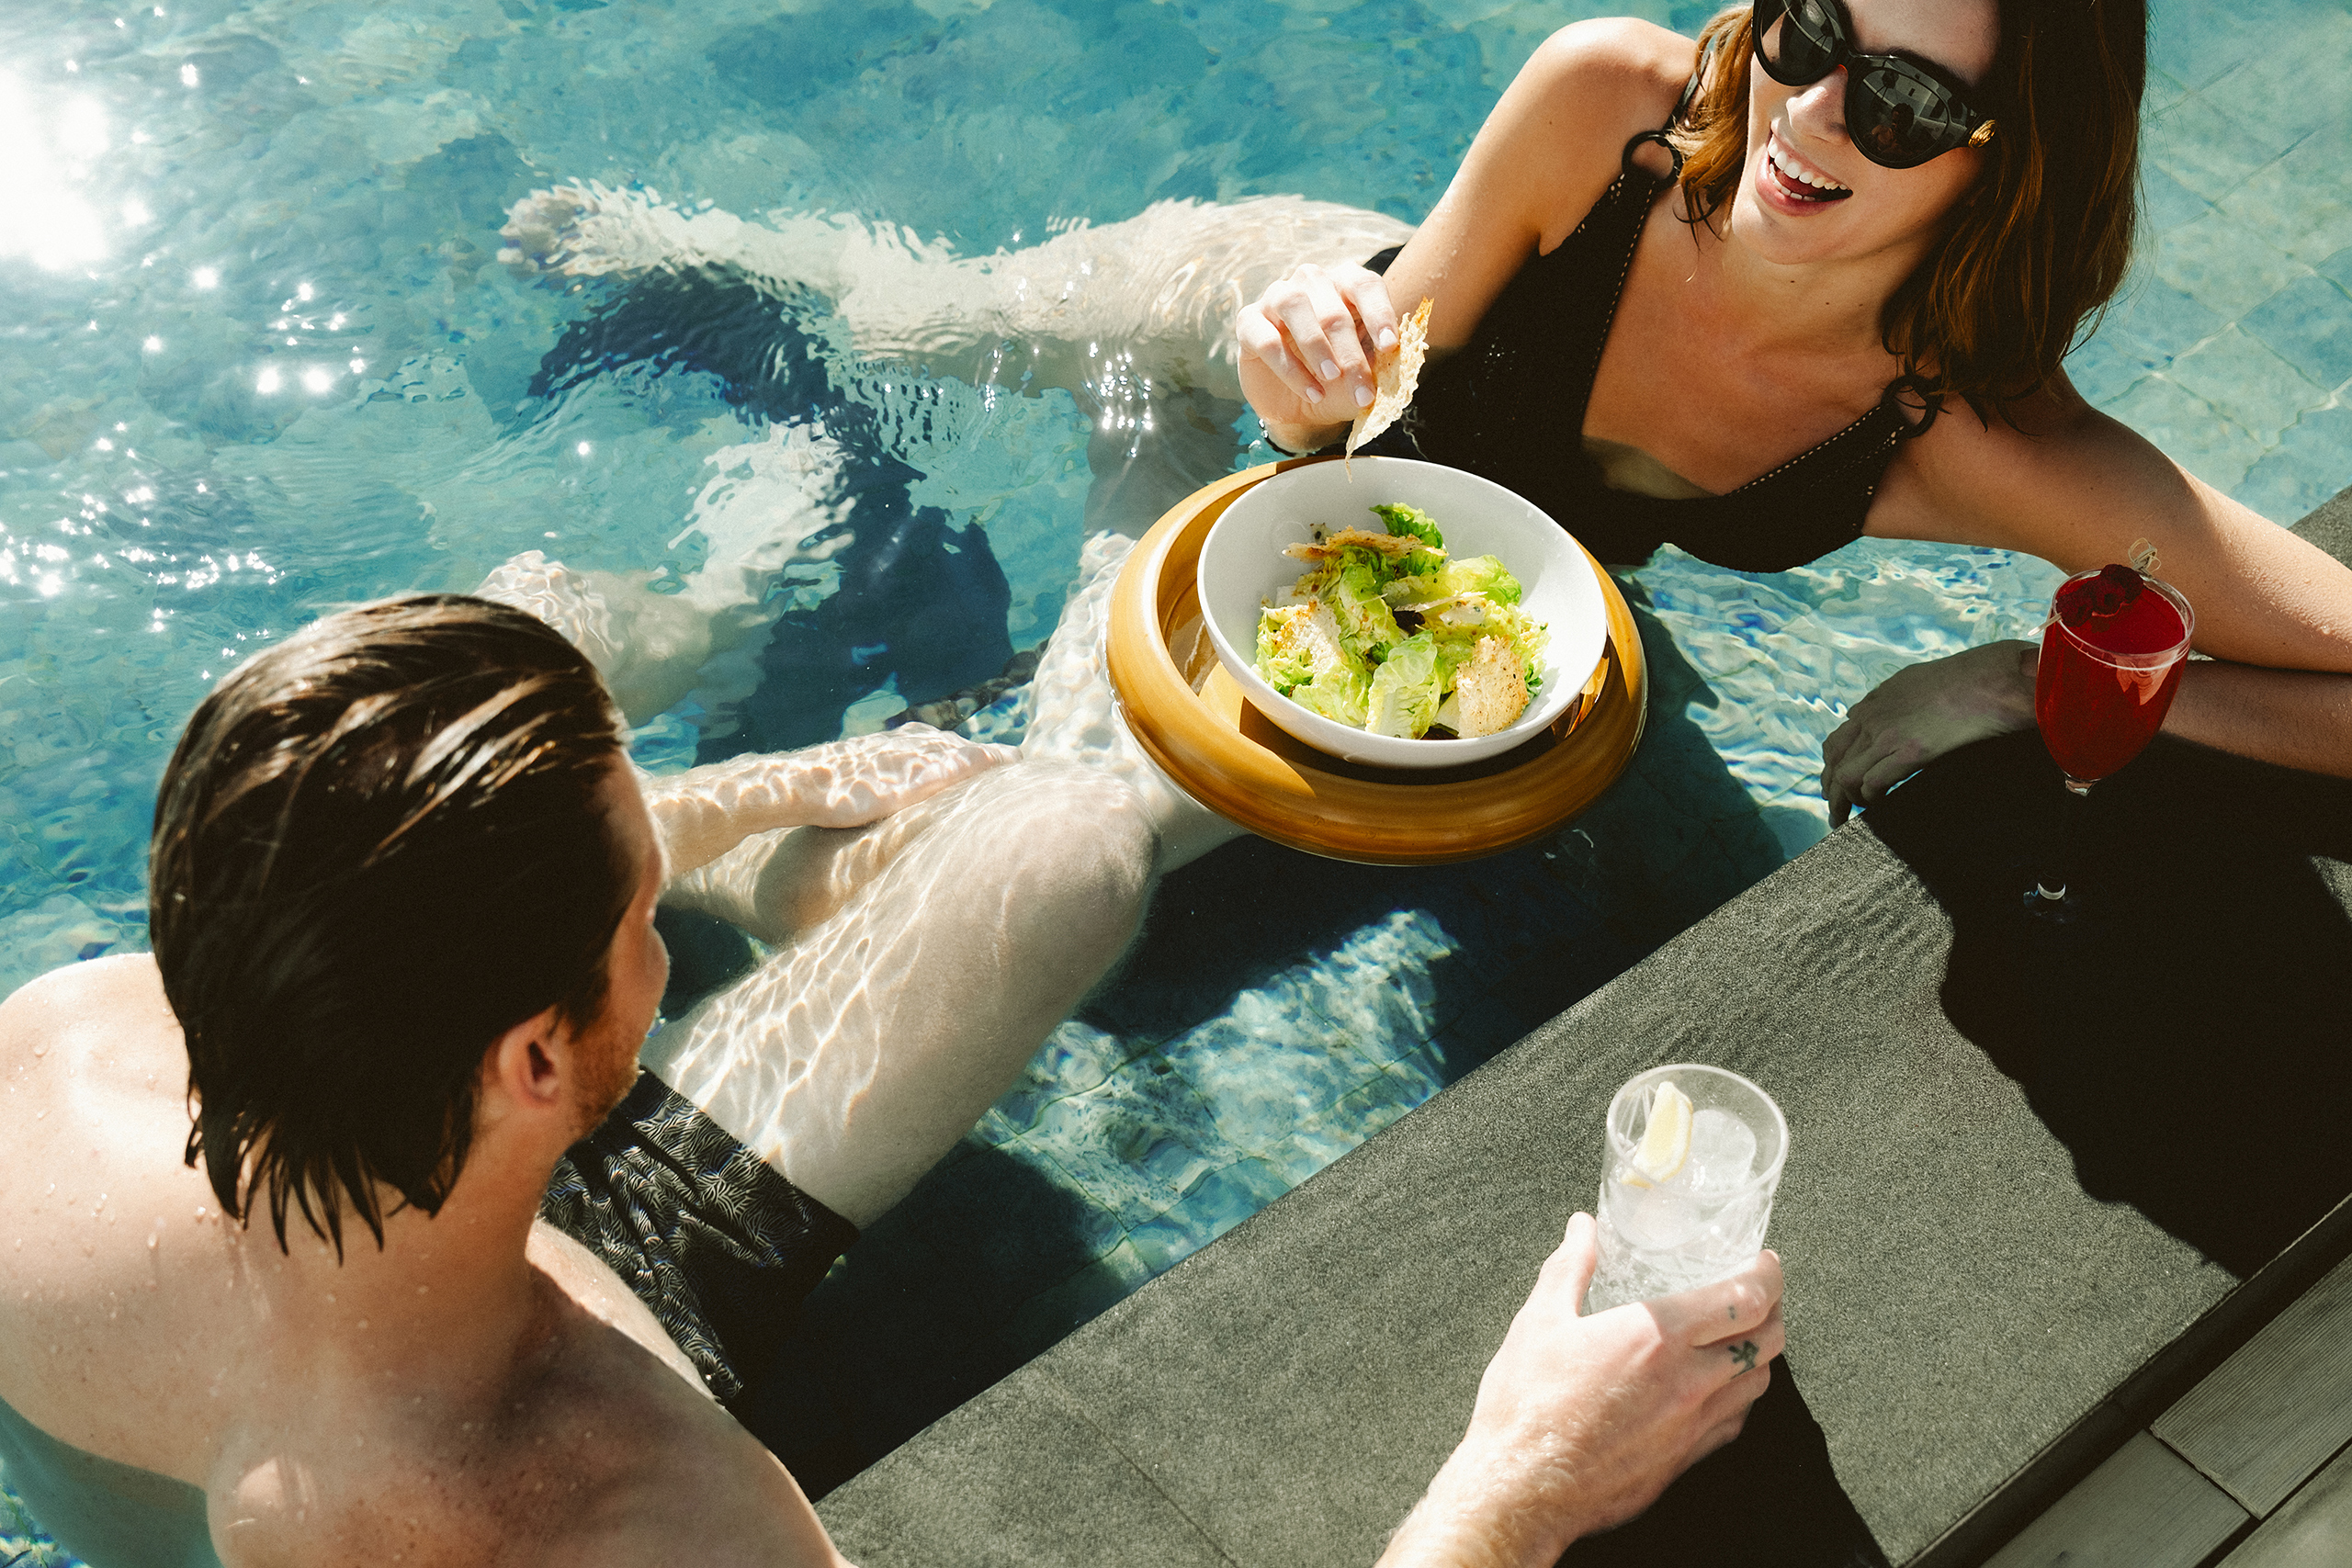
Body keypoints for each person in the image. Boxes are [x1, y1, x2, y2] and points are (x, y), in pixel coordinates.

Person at [0, 594, 1783, 1566]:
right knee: (1066, 845)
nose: (653, 927)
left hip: (437, 1237)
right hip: (609, 1318)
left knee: (1046, 838)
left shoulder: (67, 1051)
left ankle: (954, 674)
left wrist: (766, 790)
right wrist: (1526, 1474)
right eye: (638, 910)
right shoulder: (647, 1516)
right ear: (543, 1053)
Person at [1235, 0, 2352, 808]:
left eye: (1905, 102)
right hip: (1281, 296)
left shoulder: (1957, 434)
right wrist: (1281, 386)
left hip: (1443, 560)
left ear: (2015, 168)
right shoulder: (1604, 109)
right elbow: (1334, 420)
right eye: (1811, 25)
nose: (1809, 112)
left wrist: (2037, 683)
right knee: (1088, 841)